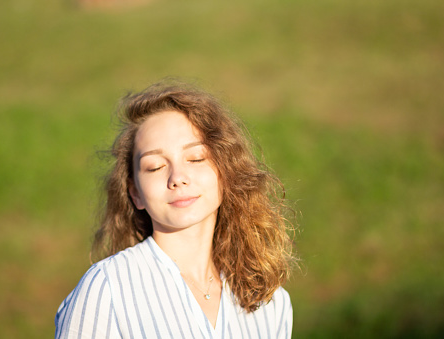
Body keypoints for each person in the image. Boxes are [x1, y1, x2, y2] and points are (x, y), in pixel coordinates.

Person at [55, 80, 297, 338]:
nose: (177, 177)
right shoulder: (107, 289)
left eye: (195, 158)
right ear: (135, 193)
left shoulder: (271, 303)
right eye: (156, 166)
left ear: (225, 171)